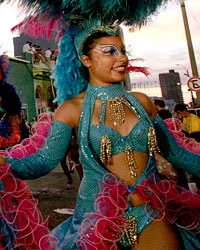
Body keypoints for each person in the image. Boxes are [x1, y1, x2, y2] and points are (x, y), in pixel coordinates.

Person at [0, 1, 200, 250]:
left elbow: (175, 153)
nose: (122, 58)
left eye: (122, 50)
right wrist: (6, 163)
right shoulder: (72, 109)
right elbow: (43, 161)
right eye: (109, 51)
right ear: (86, 60)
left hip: (151, 211)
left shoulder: (142, 102)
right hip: (98, 222)